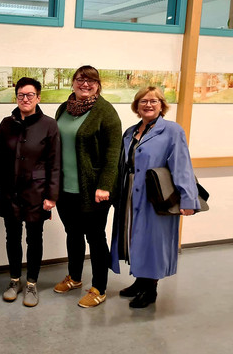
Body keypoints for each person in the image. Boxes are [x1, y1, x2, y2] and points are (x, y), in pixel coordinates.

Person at [111, 86, 199, 308]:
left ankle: (150, 288)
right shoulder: (130, 131)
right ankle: (140, 281)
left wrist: (188, 199)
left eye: (154, 101)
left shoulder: (172, 131)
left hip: (156, 196)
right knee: (134, 237)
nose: (148, 105)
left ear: (162, 106)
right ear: (136, 106)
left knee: (153, 240)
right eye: (143, 101)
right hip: (131, 192)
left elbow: (182, 165)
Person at [53, 65, 122, 308]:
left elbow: (114, 153)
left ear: (98, 85)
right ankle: (74, 277)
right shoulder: (64, 108)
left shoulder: (105, 112)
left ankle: (99, 288)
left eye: (91, 80)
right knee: (72, 234)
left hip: (94, 191)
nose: (85, 84)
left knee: (95, 238)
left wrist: (104, 185)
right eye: (80, 79)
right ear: (72, 83)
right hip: (65, 189)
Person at [0, 77, 60, 307]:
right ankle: (14, 280)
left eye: (30, 95)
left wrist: (51, 196)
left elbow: (55, 163)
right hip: (10, 192)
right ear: (16, 97)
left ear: (38, 98)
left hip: (36, 193)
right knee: (12, 237)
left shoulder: (49, 125)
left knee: (34, 238)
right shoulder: (6, 123)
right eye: (21, 95)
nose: (25, 99)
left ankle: (31, 283)